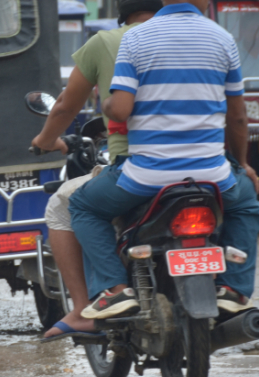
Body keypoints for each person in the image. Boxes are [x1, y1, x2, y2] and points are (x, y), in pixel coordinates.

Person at [69, 0, 259, 320]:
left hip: (145, 177)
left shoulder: (136, 38)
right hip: (213, 175)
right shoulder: (223, 38)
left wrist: (106, 104)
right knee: (246, 204)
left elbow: (121, 110)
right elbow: (238, 118)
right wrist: (242, 165)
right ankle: (234, 289)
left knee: (83, 206)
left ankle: (115, 290)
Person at [30, 0, 162, 341]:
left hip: (136, 165)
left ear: (123, 12)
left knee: (65, 205)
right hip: (205, 166)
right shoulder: (189, 39)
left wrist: (45, 139)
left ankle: (83, 307)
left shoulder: (107, 42)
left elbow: (65, 105)